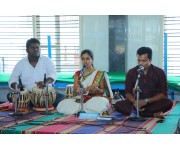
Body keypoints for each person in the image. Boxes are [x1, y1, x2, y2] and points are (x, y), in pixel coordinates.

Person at [115, 47, 173, 118]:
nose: (140, 63)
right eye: (139, 60)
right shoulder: (131, 72)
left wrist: (146, 101)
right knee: (118, 105)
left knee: (168, 103)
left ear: (150, 60)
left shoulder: (159, 72)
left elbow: (163, 93)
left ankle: (137, 113)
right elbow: (127, 92)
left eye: (143, 61)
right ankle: (152, 114)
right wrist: (134, 101)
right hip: (136, 103)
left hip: (153, 102)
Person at [8, 38, 66, 109]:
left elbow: (52, 74)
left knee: (62, 96)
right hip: (28, 95)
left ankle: (33, 104)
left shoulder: (47, 60)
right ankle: (39, 104)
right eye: (32, 48)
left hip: (45, 94)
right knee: (10, 96)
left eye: (37, 48)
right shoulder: (21, 64)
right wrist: (18, 87)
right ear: (27, 50)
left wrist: (45, 83)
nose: (35, 50)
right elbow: (12, 79)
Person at [57, 49, 113, 115]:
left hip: (95, 99)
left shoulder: (100, 73)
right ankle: (85, 110)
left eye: (88, 59)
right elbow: (76, 91)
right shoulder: (78, 74)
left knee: (98, 103)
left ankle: (80, 110)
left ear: (92, 60)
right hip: (81, 99)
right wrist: (87, 89)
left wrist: (97, 90)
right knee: (62, 104)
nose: (85, 61)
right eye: (83, 59)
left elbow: (104, 91)